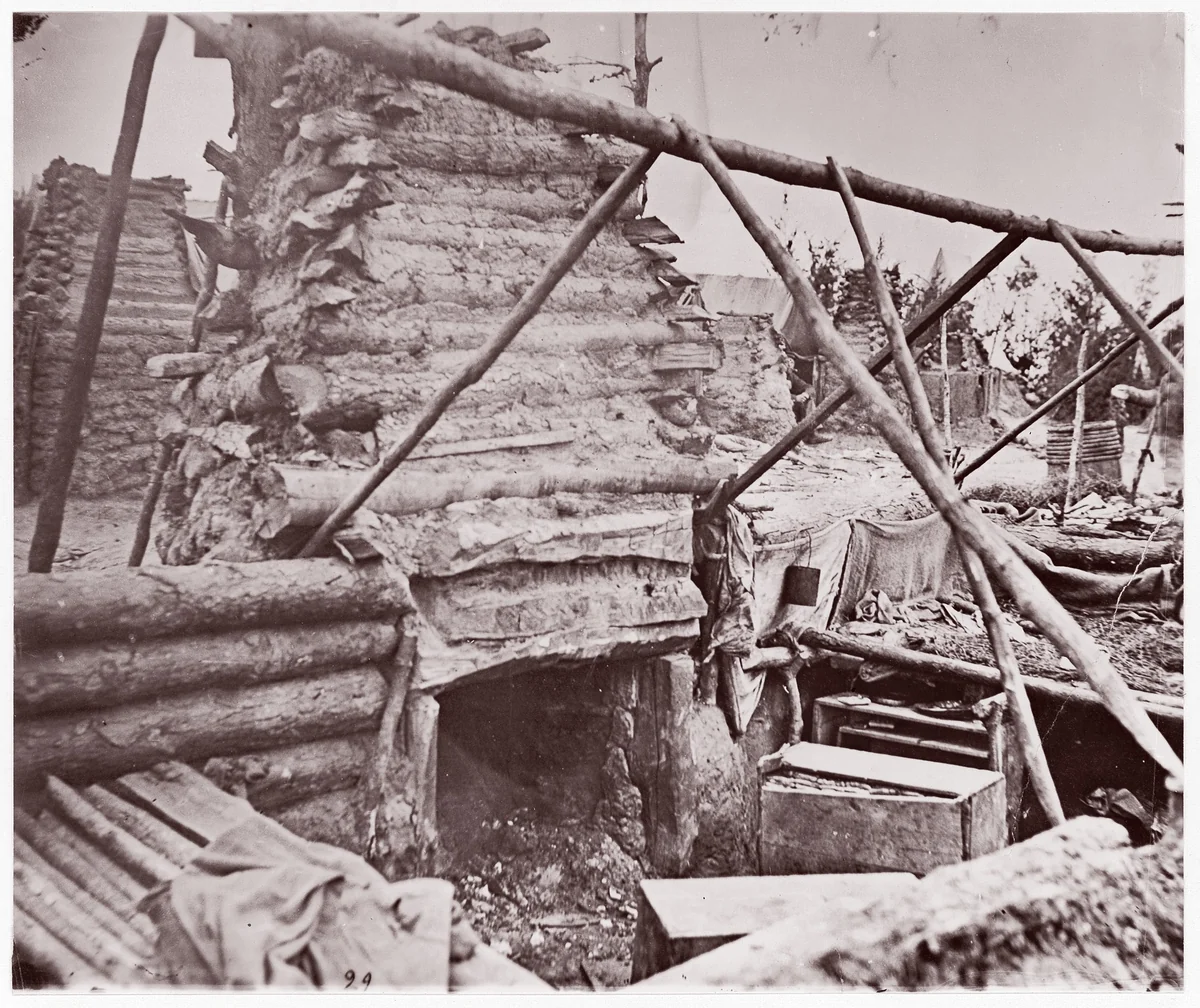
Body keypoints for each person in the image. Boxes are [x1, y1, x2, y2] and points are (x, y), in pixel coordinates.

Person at [1111, 367, 1183, 494]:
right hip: (1171, 431)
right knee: (1171, 457)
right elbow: (1154, 396)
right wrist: (1129, 392)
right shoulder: (1171, 381)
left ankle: (1177, 489)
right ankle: (1174, 489)